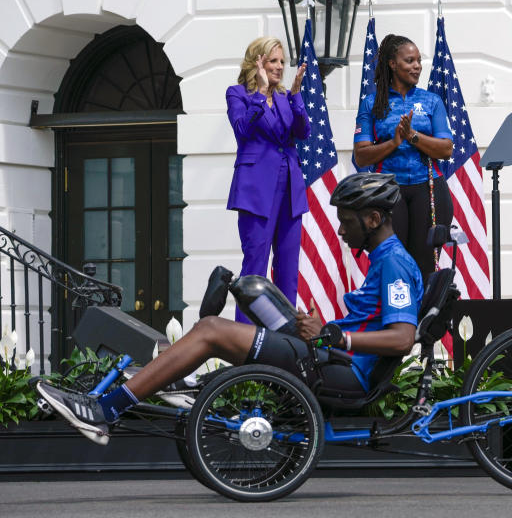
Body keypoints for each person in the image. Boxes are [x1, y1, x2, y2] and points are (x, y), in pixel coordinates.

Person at [36, 173, 422, 446]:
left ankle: (105, 411)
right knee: (253, 301)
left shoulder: (394, 264)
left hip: (340, 370)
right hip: (327, 356)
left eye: (347, 222)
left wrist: (336, 334)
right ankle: (179, 381)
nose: (340, 231)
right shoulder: (384, 259)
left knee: (211, 329)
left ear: (373, 219)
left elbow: (403, 339)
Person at [353, 34, 455, 284]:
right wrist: (393, 143)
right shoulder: (372, 102)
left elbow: (446, 149)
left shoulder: (431, 100)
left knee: (425, 267)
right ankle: (397, 322)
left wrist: (412, 136)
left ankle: (425, 322)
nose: (417, 66)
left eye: (419, 61)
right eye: (409, 61)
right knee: (392, 265)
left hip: (428, 189)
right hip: (388, 191)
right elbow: (361, 154)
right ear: (392, 64)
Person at [226, 37, 309, 320]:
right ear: (257, 62)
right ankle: (246, 341)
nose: (280, 67)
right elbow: (241, 130)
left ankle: (286, 340)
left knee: (288, 269)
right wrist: (261, 92)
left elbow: (304, 131)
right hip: (256, 190)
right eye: (273, 61)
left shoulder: (286, 97)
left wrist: (296, 95)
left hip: (290, 189)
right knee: (254, 268)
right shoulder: (238, 94)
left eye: (282, 62)